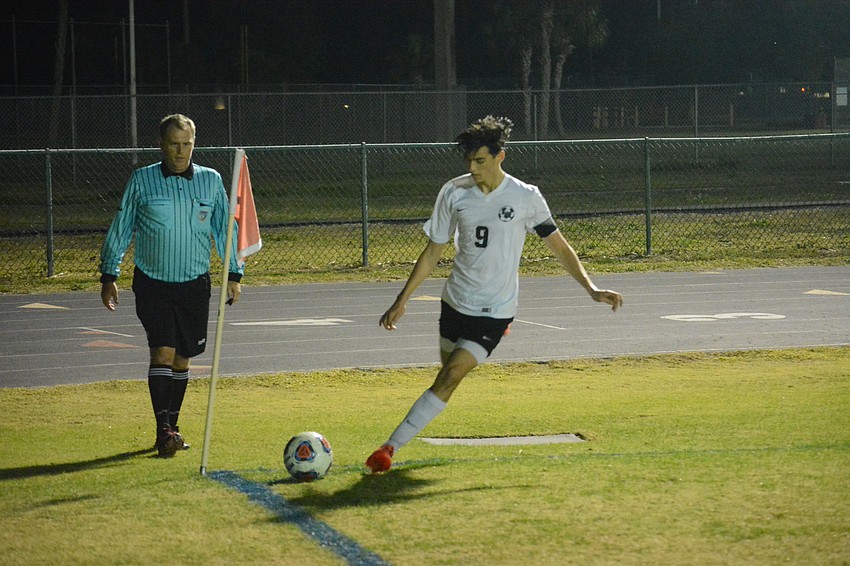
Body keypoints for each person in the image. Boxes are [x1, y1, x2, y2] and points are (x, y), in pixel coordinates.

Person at [365, 115, 624, 473]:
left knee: (451, 375)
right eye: (469, 161)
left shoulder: (525, 196)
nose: (473, 168)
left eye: (481, 161)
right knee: (446, 376)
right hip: (455, 302)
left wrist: (591, 288)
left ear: (501, 156)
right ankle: (406, 432)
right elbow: (432, 251)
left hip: (496, 309)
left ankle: (388, 448)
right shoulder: (454, 192)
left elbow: (559, 247)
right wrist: (402, 299)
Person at [99, 114, 243, 458]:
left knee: (183, 359)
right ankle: (163, 430)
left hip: (194, 285)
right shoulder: (142, 180)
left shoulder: (211, 181)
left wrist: (234, 274)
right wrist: (109, 274)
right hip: (153, 284)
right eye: (174, 144)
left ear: (194, 144)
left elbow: (226, 229)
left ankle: (172, 428)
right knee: (162, 352)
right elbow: (122, 226)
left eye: (187, 144)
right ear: (161, 145)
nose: (180, 152)